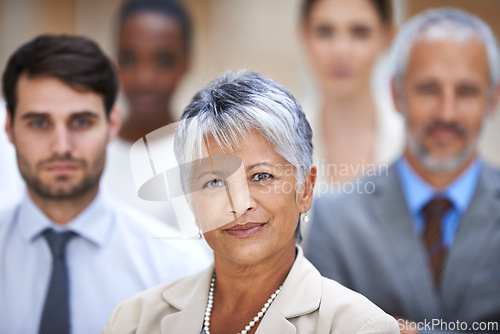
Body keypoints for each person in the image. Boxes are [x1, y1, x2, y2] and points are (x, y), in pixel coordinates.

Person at [103, 71, 399, 334]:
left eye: (261, 176)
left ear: (305, 189)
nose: (239, 204)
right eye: (214, 182)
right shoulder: (133, 322)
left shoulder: (360, 327)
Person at [0, 34, 211, 334]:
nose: (61, 146)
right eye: (38, 123)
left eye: (81, 122)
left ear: (112, 124)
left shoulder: (178, 270)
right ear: (8, 127)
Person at [306, 8, 500, 333]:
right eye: (428, 89)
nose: (447, 113)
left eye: (466, 91)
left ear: (492, 99)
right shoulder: (336, 221)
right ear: (396, 94)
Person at [102, 0, 193, 228]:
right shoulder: (89, 150)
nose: (144, 77)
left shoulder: (200, 155)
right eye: (129, 59)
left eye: (163, 61)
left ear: (186, 63)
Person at [300, 0, 404, 186]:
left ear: (388, 37)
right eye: (325, 31)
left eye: (360, 32)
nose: (341, 50)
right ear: (304, 35)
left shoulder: (410, 141)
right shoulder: (278, 144)